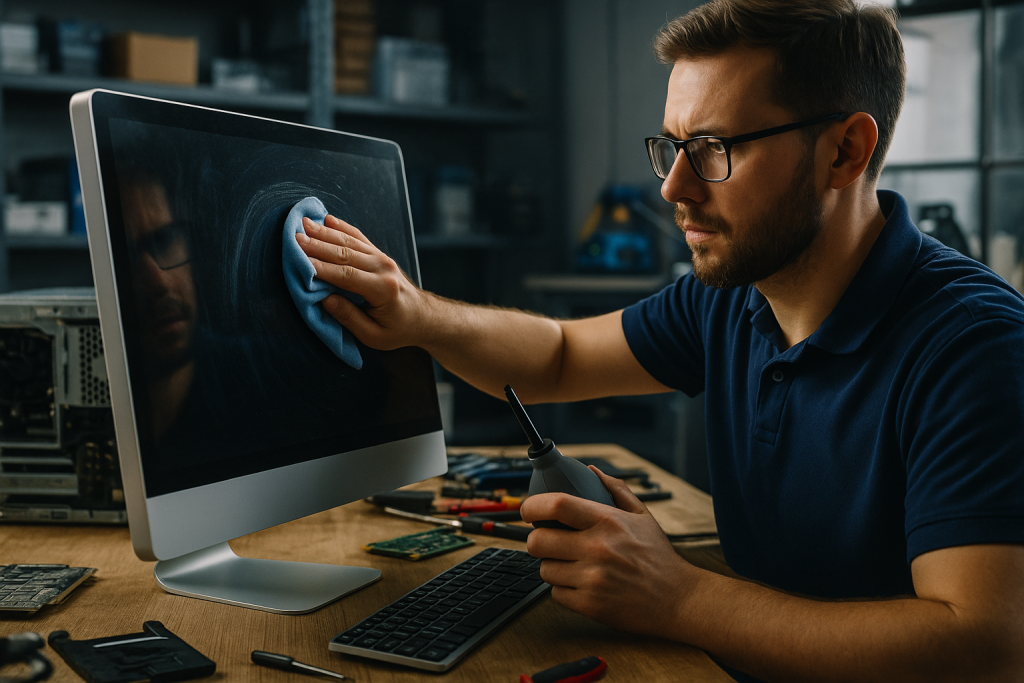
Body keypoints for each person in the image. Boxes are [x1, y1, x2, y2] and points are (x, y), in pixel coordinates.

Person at [296, 1, 1024, 680]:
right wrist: (416, 312)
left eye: (711, 149)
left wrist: (676, 596)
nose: (674, 187)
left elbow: (985, 644)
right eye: (672, 146)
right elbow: (557, 355)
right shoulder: (732, 295)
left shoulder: (974, 346)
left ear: (844, 152)